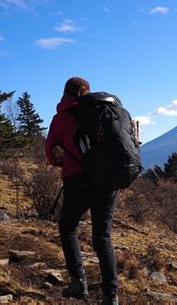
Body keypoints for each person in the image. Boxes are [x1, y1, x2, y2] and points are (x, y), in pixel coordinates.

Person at [45, 77, 119, 305]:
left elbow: (51, 152)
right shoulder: (105, 112)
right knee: (103, 238)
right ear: (86, 91)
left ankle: (79, 282)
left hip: (77, 181)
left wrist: (67, 163)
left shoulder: (62, 118)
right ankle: (111, 296)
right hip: (107, 182)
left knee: (67, 228)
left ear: (66, 93)